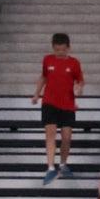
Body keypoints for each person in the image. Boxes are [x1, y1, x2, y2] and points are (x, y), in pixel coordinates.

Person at [31, 32, 84, 185]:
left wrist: (79, 89)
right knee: (50, 135)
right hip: (49, 102)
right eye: (57, 50)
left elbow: (80, 80)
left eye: (62, 50)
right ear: (53, 48)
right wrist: (36, 94)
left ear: (68, 48)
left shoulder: (74, 63)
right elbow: (44, 77)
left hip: (67, 103)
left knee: (66, 137)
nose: (59, 53)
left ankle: (62, 164)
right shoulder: (47, 60)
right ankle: (50, 167)